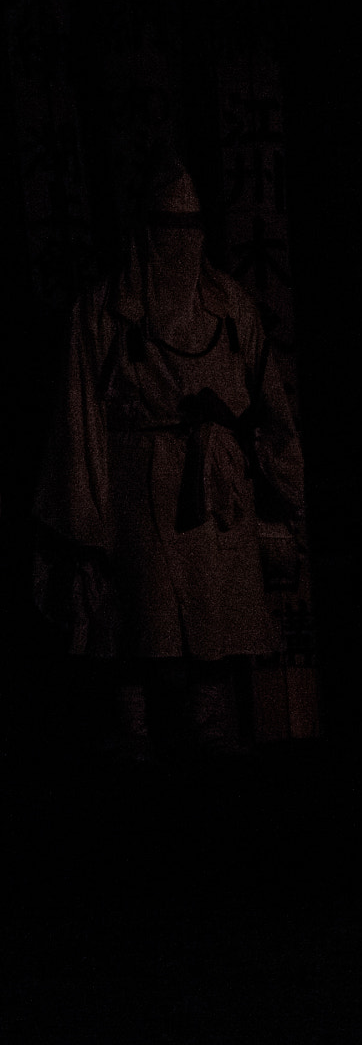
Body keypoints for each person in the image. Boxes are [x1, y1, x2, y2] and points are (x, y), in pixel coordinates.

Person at [33, 159, 305, 756]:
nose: (180, 243)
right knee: (136, 629)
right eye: (167, 227)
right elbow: (79, 419)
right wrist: (84, 519)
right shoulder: (104, 311)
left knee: (212, 630)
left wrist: (287, 493)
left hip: (217, 493)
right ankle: (133, 736)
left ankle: (207, 737)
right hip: (136, 487)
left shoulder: (231, 309)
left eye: (190, 227)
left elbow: (272, 409)